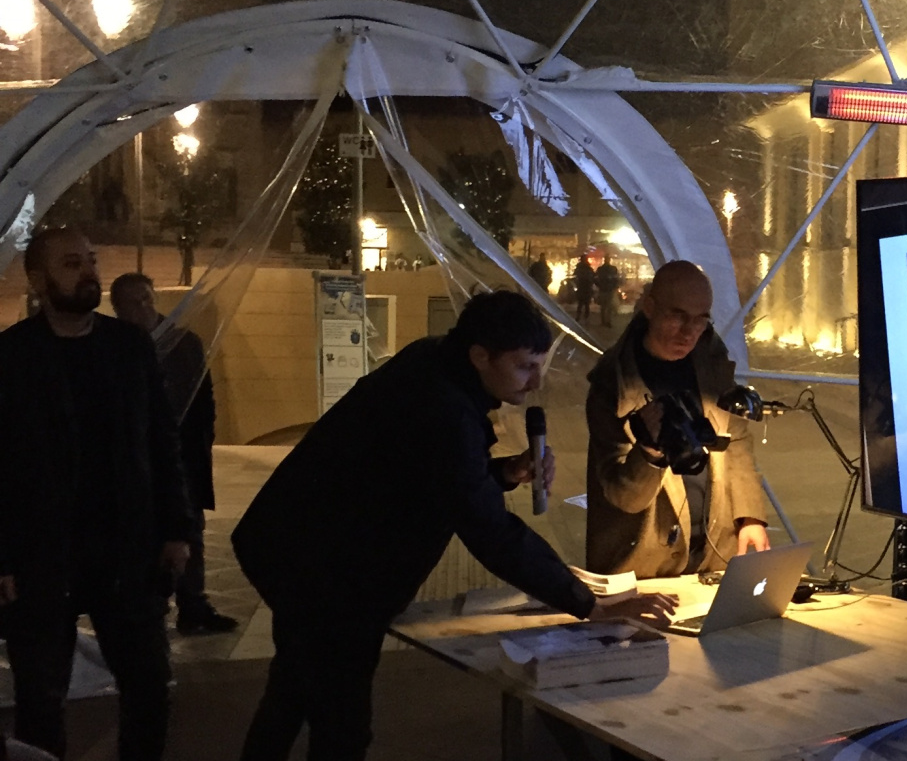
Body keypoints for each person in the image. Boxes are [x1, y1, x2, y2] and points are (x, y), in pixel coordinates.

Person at [232, 290, 674, 761]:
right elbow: (488, 529)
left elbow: (424, 475)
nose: (535, 382)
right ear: (480, 356)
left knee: (293, 691)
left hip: (298, 547)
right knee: (340, 723)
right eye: (525, 366)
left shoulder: (433, 362)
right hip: (326, 573)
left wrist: (503, 473)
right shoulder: (445, 409)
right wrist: (585, 603)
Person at [0, 228, 195, 761]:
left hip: (126, 551)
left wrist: (177, 528)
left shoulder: (128, 347)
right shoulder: (11, 359)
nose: (88, 272)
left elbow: (161, 441)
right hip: (44, 555)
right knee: (41, 698)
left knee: (149, 685)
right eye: (71, 263)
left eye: (90, 260)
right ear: (39, 280)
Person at [585, 260, 770, 578]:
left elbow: (736, 442)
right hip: (640, 567)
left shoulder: (712, 369)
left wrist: (749, 517)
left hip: (714, 558)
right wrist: (650, 454)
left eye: (700, 320)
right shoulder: (612, 386)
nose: (690, 332)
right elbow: (624, 498)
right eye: (678, 316)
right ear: (649, 307)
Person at [109, 272, 239, 636]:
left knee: (188, 529)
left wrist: (199, 443)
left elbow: (203, 397)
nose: (141, 309)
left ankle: (192, 603)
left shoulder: (183, 342)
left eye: (146, 300)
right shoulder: (114, 346)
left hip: (180, 454)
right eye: (131, 304)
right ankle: (145, 605)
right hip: (134, 459)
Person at [594, 254, 621, 329]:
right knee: (608, 306)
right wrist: (615, 286)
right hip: (609, 289)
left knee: (603, 306)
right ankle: (608, 321)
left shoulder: (600, 269)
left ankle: (603, 321)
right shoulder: (613, 269)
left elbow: (595, 279)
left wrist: (599, 285)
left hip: (603, 289)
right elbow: (616, 279)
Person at [573, 256, 595, 323]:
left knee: (582, 304)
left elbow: (575, 277)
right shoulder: (587, 268)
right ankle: (584, 317)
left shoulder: (580, 268)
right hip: (585, 288)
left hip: (583, 288)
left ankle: (580, 317)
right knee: (585, 304)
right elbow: (593, 276)